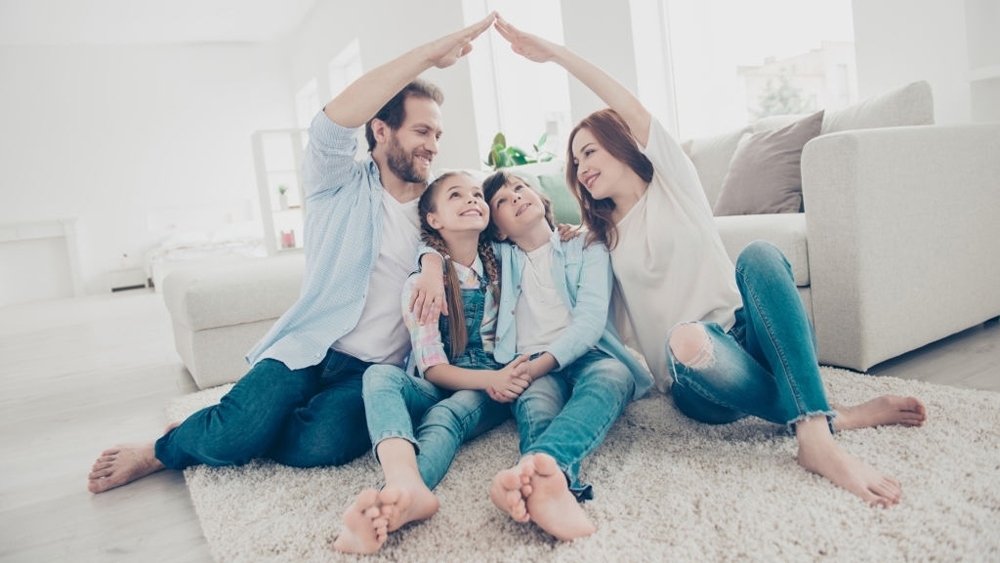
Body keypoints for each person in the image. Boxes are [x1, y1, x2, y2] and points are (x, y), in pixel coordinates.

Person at [493, 15, 927, 508]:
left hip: (749, 338)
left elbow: (628, 106)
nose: (582, 168)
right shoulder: (598, 239)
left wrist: (555, 53)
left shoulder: (674, 183)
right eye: (575, 163)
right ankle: (832, 414)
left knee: (761, 254)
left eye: (589, 152)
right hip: (695, 379)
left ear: (621, 145)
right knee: (688, 336)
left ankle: (815, 437)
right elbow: (557, 286)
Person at [86, 14, 497, 494]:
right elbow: (328, 126)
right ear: (381, 130)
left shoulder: (442, 207)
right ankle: (166, 448)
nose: (433, 146)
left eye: (438, 136)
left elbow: (499, 227)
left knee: (320, 445)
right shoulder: (336, 183)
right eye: (422, 131)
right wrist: (427, 56)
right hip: (311, 345)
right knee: (240, 431)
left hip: (375, 369)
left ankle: (228, 425)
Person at [333, 170, 532, 554]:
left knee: (446, 417)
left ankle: (395, 501)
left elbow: (539, 241)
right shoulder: (421, 285)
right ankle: (401, 477)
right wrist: (430, 264)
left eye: (477, 194)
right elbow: (433, 369)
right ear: (434, 220)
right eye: (456, 195)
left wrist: (569, 232)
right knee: (378, 377)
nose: (473, 200)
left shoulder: (505, 262)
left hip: (489, 386)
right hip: (449, 379)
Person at [480, 170, 654, 540]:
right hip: (528, 360)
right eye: (501, 201)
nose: (514, 197)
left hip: (586, 353)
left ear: (541, 199)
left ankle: (539, 468)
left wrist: (532, 369)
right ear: (497, 229)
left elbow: (591, 321)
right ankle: (554, 488)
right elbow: (444, 245)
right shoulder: (497, 257)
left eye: (519, 187)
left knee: (614, 377)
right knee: (538, 409)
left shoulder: (587, 244)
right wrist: (429, 264)